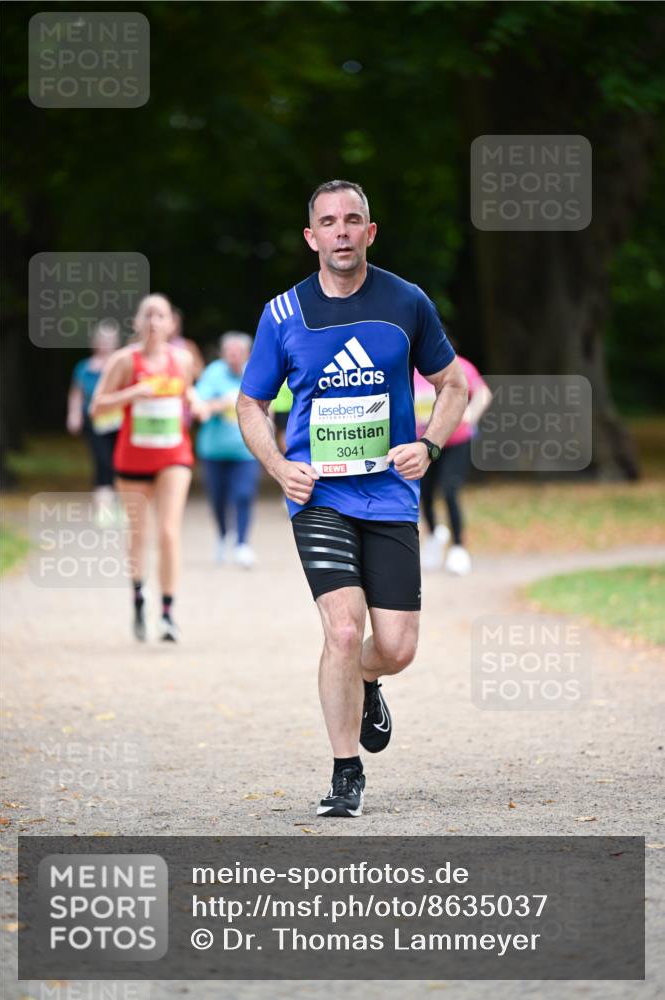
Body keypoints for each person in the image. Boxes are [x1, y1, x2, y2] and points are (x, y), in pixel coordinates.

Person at [237, 180, 468, 818]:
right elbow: (250, 402)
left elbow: (452, 385)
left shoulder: (407, 302)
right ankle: (345, 772)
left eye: (353, 220)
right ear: (312, 237)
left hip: (390, 495)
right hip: (319, 497)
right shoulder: (283, 314)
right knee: (343, 628)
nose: (341, 231)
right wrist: (280, 466)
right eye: (328, 222)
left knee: (396, 647)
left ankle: (370, 679)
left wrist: (432, 444)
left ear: (370, 231)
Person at [90, 294, 195, 642]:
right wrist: (131, 394)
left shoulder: (182, 360)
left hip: (174, 457)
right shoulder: (123, 360)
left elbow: (189, 398)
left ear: (171, 323)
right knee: (139, 533)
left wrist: (197, 404)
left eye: (160, 316)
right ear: (137, 322)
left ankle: (167, 613)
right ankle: (138, 597)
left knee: (167, 532)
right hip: (132, 459)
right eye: (147, 315)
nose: (153, 322)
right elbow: (97, 407)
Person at [415, 359, 493, 574]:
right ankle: (433, 537)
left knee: (450, 490)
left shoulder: (457, 364)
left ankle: (458, 548)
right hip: (423, 443)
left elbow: (483, 393)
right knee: (425, 494)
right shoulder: (410, 368)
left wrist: (470, 415)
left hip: (456, 441)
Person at [194, 332, 261, 568]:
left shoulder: (256, 372)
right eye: (229, 352)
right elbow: (200, 406)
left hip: (246, 450)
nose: (233, 357)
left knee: (243, 495)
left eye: (238, 352)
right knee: (218, 499)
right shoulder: (213, 373)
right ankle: (223, 536)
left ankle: (242, 543)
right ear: (223, 354)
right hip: (213, 450)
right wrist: (223, 403)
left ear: (247, 354)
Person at [66, 320, 122, 525]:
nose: (106, 343)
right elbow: (76, 393)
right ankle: (104, 508)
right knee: (102, 462)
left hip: (119, 421)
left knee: (120, 461)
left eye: (110, 339)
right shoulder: (84, 367)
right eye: (102, 339)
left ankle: (121, 504)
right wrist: (73, 416)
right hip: (95, 421)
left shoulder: (120, 363)